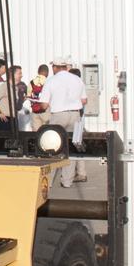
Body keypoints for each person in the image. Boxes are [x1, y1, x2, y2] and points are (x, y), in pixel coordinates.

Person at [33, 57, 88, 186]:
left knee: (52, 147)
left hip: (58, 115)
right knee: (71, 148)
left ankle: (49, 181)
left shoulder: (52, 81)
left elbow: (44, 105)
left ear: (55, 67)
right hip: (75, 115)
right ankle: (67, 181)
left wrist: (39, 106)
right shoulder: (77, 80)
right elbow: (84, 100)